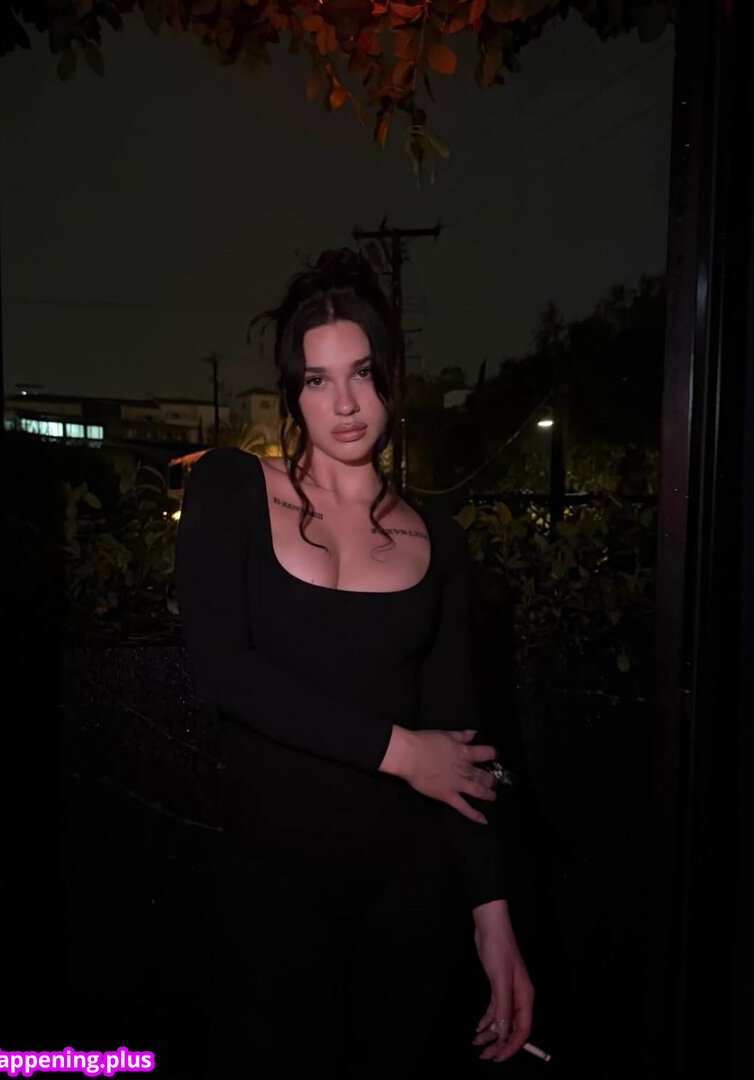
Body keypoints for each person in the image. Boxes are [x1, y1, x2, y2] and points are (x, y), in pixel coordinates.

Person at [174, 248, 533, 1078]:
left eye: (362, 373)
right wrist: (404, 753)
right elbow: (226, 673)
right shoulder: (230, 488)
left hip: (406, 894)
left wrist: (493, 916)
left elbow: (460, 741)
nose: (343, 404)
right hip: (269, 891)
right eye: (317, 379)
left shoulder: (438, 543)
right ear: (293, 391)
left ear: (391, 378)